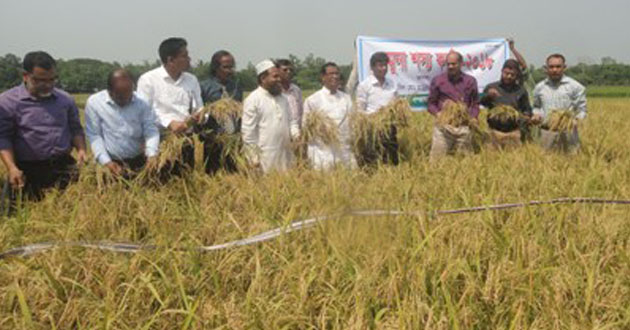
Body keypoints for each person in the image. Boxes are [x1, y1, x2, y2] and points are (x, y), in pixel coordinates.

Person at [0, 51, 87, 201]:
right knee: (15, 215)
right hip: (26, 170)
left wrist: (81, 149)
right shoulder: (7, 102)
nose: (47, 85)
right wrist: (12, 168)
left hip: (63, 167)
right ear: (25, 76)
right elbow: (3, 138)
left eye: (52, 80)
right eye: (40, 80)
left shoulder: (65, 100)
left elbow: (75, 129)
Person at [137, 37, 203, 174]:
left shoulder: (192, 80)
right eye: (184, 56)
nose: (189, 59)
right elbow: (144, 112)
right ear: (170, 60)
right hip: (161, 140)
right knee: (161, 181)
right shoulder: (148, 80)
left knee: (185, 180)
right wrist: (169, 123)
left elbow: (198, 106)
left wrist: (200, 116)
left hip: (186, 140)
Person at [85, 69, 160, 178]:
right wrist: (106, 162)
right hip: (110, 163)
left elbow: (151, 130)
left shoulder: (142, 101)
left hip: (139, 160)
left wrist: (152, 154)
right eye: (120, 97)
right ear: (109, 91)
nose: (126, 100)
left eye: (129, 95)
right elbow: (95, 135)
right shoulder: (95, 103)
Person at [241, 60, 299, 173]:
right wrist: (253, 158)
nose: (279, 79)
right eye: (275, 76)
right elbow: (248, 134)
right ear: (263, 78)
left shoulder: (283, 98)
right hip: (264, 159)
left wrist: (296, 135)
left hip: (285, 156)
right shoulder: (253, 100)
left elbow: (292, 121)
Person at [303, 62, 356, 170]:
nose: (335, 76)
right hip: (323, 152)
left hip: (344, 151)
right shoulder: (313, 100)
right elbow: (306, 127)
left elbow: (353, 123)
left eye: (337, 73)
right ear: (323, 77)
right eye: (331, 74)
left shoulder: (347, 99)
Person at [427, 51, 480, 160]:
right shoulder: (438, 81)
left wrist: (473, 117)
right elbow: (431, 103)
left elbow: (474, 103)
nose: (450, 66)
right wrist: (438, 114)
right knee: (437, 162)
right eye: (448, 64)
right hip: (444, 127)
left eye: (454, 64)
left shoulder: (470, 81)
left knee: (464, 163)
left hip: (463, 127)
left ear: (461, 64)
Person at [532, 54, 587, 153]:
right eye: (551, 67)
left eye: (558, 66)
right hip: (546, 133)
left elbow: (582, 110)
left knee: (571, 163)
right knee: (544, 164)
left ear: (564, 67)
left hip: (567, 133)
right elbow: (536, 106)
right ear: (546, 68)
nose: (554, 70)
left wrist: (576, 120)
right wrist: (536, 115)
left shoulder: (575, 87)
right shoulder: (539, 87)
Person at [199, 50, 242, 174]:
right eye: (225, 67)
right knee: (213, 176)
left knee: (234, 175)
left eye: (231, 67)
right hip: (213, 143)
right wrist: (206, 135)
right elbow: (199, 114)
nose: (229, 71)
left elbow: (239, 113)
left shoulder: (236, 87)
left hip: (234, 142)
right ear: (215, 68)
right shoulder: (204, 87)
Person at [355, 52, 399, 166]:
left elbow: (396, 104)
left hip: (389, 126)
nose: (383, 68)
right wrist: (371, 120)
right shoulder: (365, 85)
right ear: (372, 67)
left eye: (385, 65)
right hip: (372, 127)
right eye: (380, 65)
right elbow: (360, 109)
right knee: (373, 157)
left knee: (391, 156)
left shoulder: (392, 84)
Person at [481, 59, 532, 147]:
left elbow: (526, 109)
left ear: (517, 75)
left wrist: (527, 117)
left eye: (512, 75)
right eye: (506, 73)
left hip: (514, 132)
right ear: (502, 71)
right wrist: (488, 96)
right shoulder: (491, 87)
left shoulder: (521, 90)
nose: (509, 76)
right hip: (494, 131)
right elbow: (482, 102)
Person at [277, 59, 303, 128]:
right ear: (277, 71)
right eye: (285, 70)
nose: (288, 72)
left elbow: (301, 112)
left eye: (291, 70)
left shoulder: (296, 90)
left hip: (297, 132)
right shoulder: (274, 91)